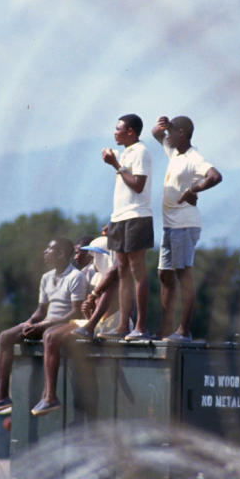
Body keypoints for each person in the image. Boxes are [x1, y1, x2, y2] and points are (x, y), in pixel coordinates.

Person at [0, 238, 88, 418]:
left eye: (49, 249)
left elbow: (76, 313)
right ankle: (2, 396)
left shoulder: (76, 277)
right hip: (46, 323)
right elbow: (41, 310)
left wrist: (43, 325)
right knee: (5, 337)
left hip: (65, 325)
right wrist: (30, 323)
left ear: (60, 254)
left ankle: (50, 396)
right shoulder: (46, 278)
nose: (45, 252)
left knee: (49, 336)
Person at [151, 115, 222, 341]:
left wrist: (194, 190)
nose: (167, 136)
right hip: (170, 226)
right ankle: (166, 328)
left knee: (183, 273)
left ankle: (184, 330)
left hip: (185, 223)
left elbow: (215, 176)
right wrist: (163, 124)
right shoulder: (174, 152)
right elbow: (155, 133)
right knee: (164, 274)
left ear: (181, 133)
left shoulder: (194, 157)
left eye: (171, 131)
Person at [101, 113, 153, 340]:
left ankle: (140, 326)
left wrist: (116, 165)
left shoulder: (140, 152)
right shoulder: (126, 153)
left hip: (136, 216)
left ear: (130, 131)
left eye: (118, 128)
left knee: (136, 270)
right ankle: (123, 324)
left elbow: (138, 185)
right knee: (122, 270)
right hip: (120, 217)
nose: (115, 132)